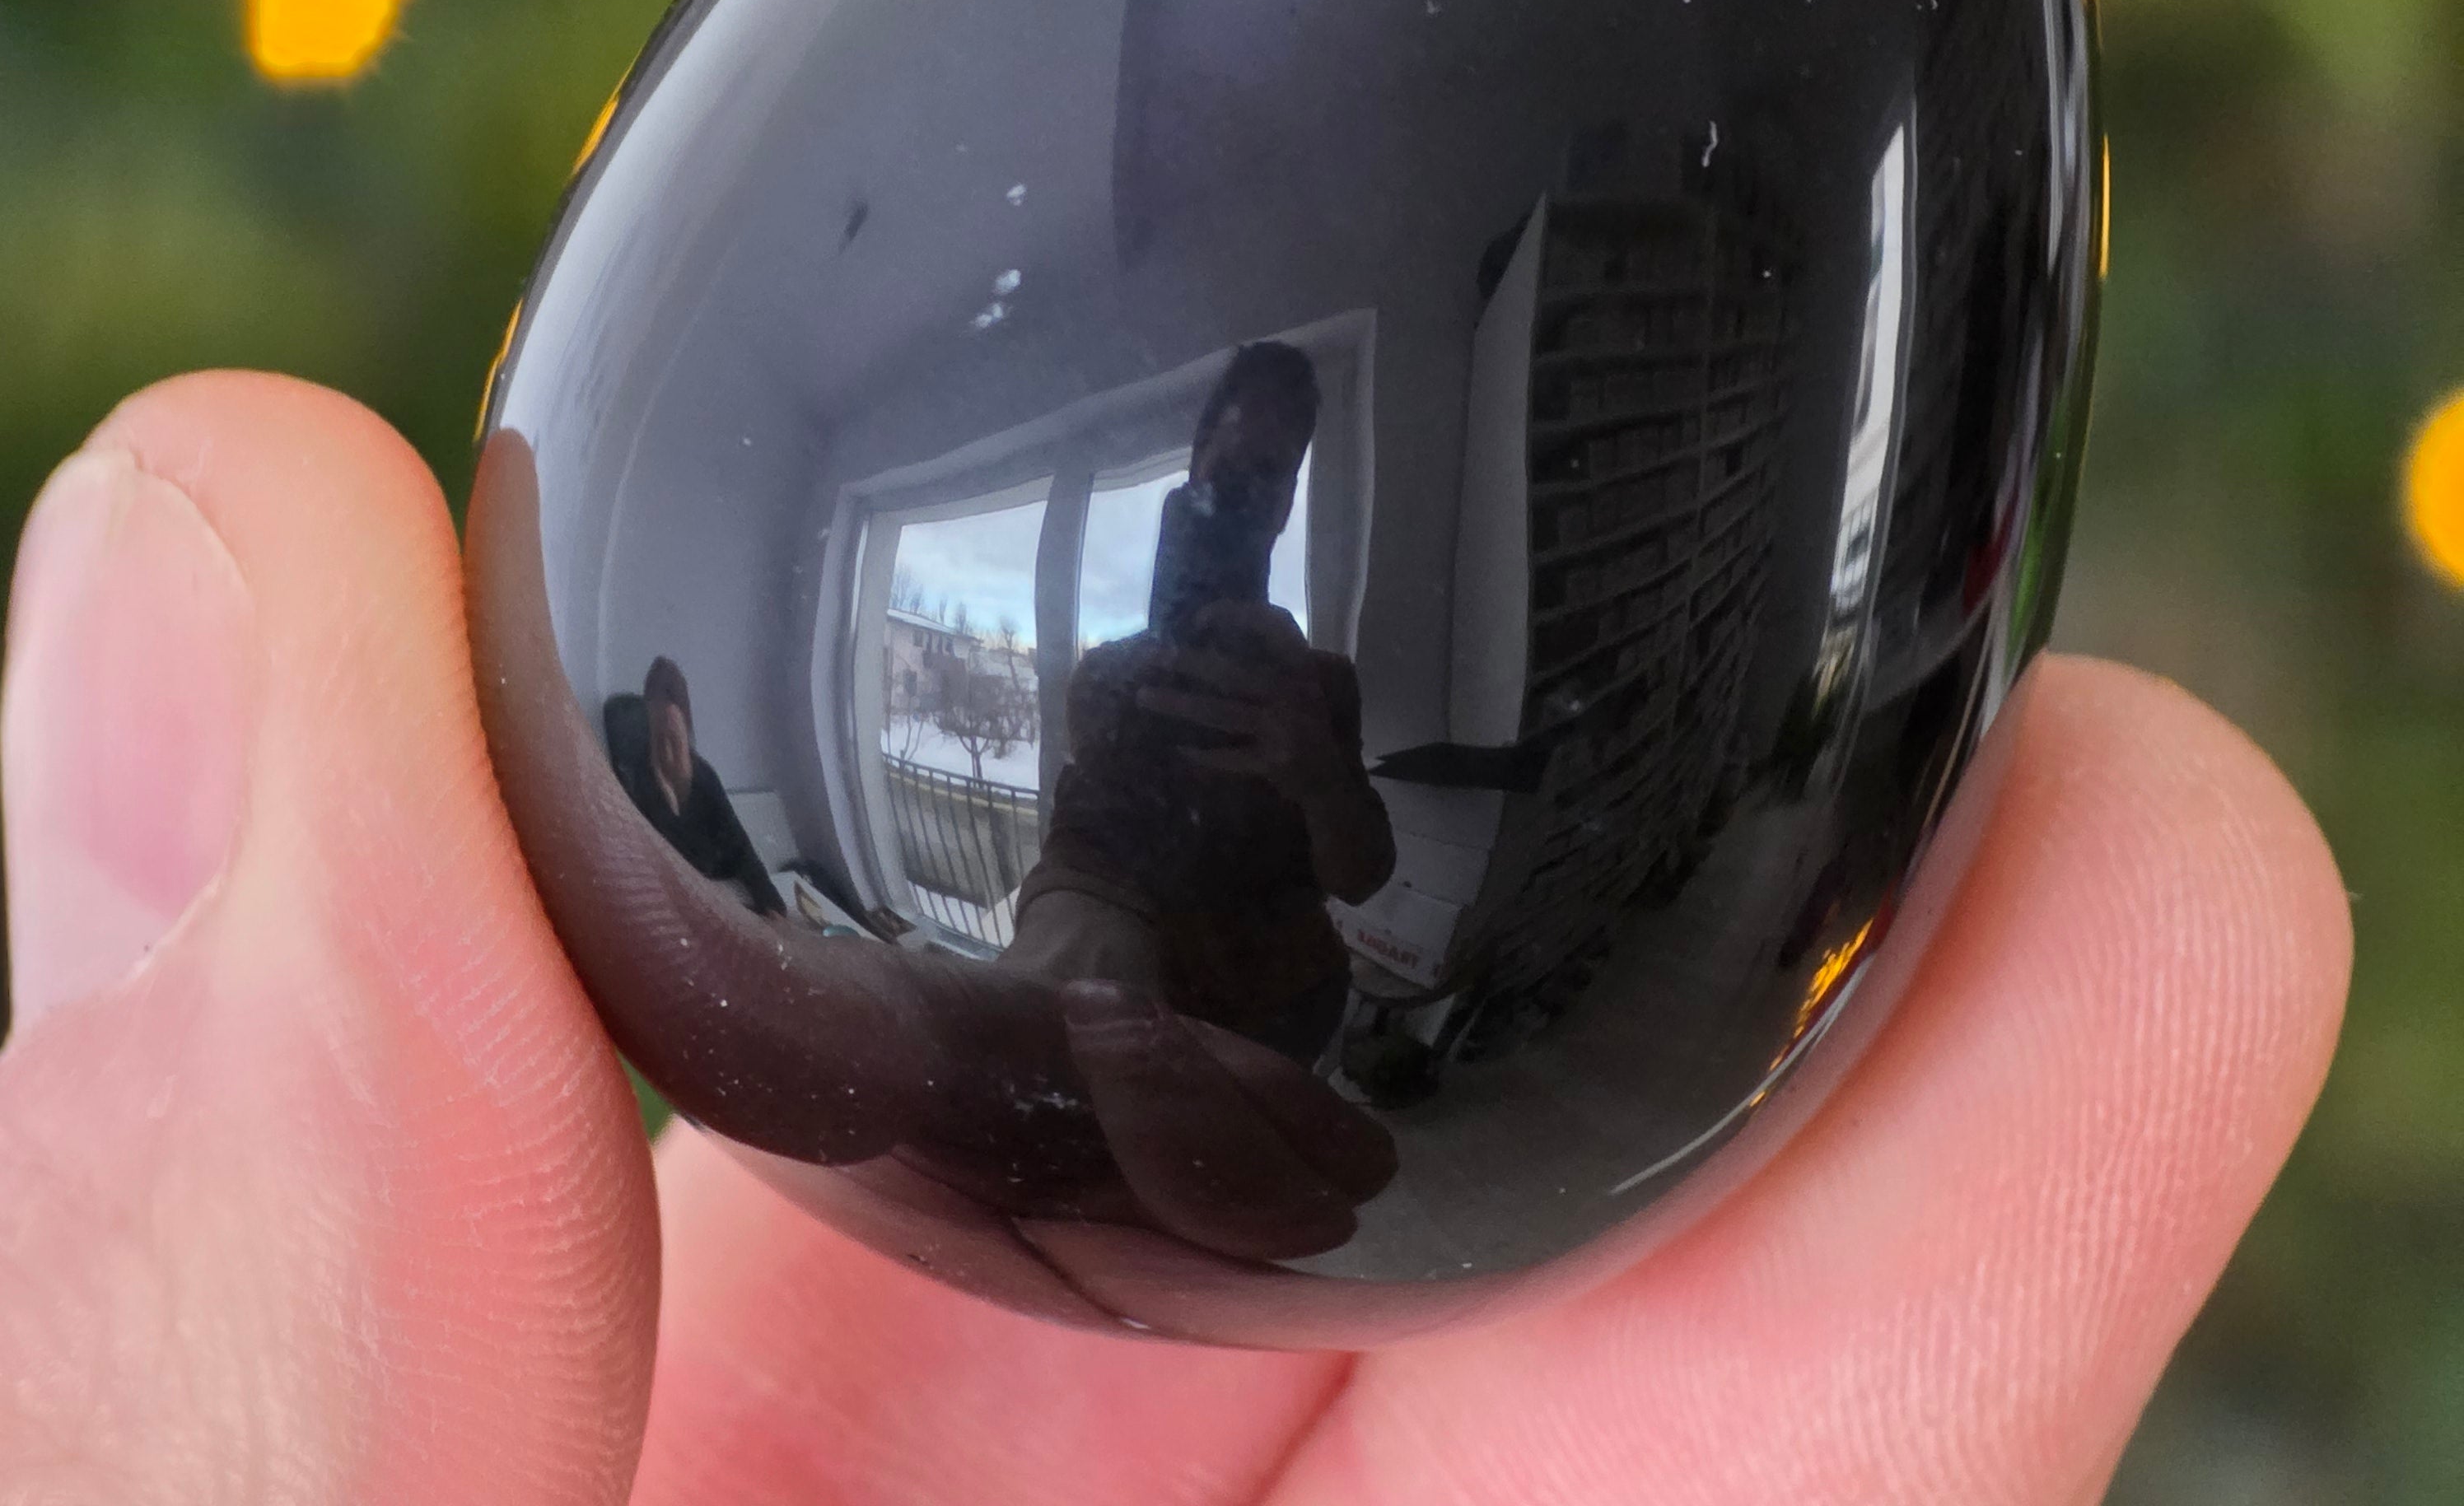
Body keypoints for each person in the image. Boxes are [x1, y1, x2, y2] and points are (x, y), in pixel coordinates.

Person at [0, 374, 2352, 1502]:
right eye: (1223, 464)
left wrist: (1311, 768)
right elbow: (1050, 867)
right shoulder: (1121, 668)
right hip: (1122, 995)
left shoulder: (1302, 672)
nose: (1235, 495)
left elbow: (1357, 862)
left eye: (1262, 469)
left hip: (1297, 1021)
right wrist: (1091, 935)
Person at [1007, 342, 1396, 1064]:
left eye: (1272, 475)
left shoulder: (1321, 686)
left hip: (1283, 1012)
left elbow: (1362, 879)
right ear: (1195, 468)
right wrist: (1058, 979)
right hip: (1141, 997)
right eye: (1233, 468)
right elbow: (1085, 860)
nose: (1250, 494)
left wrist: (1320, 780)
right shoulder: (1105, 677)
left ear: (1288, 504)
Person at [604, 658, 786, 918]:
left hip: (719, 890)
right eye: (660, 736)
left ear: (686, 724)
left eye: (675, 739)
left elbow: (740, 846)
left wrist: (772, 905)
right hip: (677, 898)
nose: (668, 750)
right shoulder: (635, 777)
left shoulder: (704, 778)